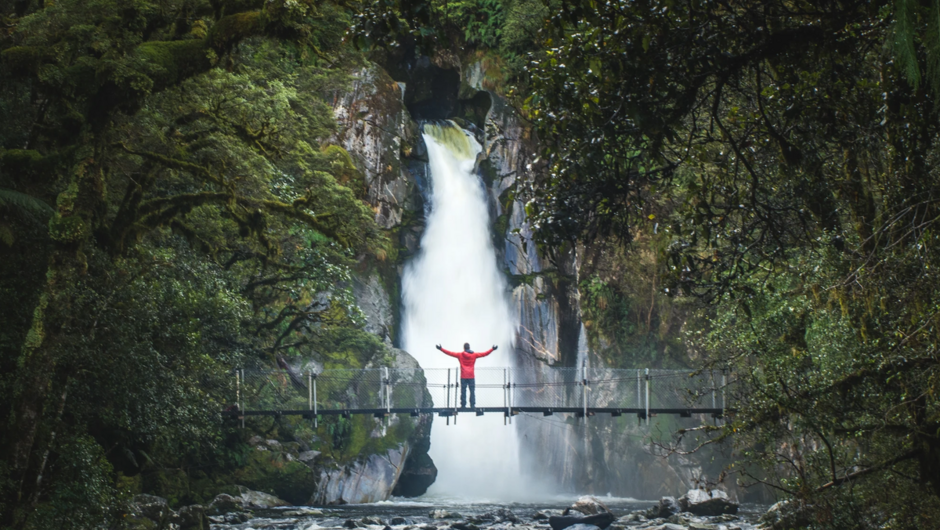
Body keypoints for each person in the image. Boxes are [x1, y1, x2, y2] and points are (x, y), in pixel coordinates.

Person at [435, 342, 497, 409]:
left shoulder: (460, 355)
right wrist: (492, 349)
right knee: (472, 391)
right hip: (471, 376)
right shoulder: (474, 355)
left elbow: (450, 353)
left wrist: (441, 348)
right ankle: (472, 405)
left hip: (463, 376)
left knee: (463, 391)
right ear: (469, 347)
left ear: (464, 348)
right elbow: (484, 354)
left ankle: (463, 405)